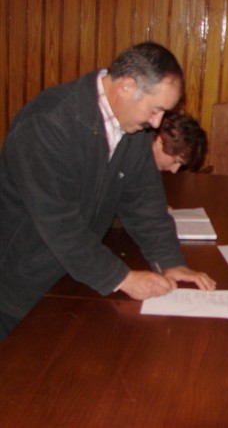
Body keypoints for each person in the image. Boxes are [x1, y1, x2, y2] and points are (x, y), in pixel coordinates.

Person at [0, 42, 216, 341]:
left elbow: (145, 205)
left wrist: (171, 262)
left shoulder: (132, 128)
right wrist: (123, 278)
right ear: (127, 86)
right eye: (155, 110)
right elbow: (59, 224)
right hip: (18, 287)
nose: (157, 123)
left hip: (69, 283)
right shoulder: (48, 124)